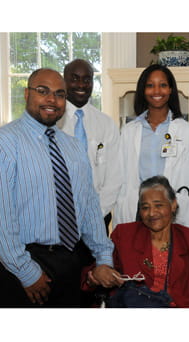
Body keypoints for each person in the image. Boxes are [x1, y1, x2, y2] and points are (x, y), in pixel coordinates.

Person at [0, 68, 122, 308]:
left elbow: (89, 207)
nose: (52, 100)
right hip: (17, 267)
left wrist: (103, 256)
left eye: (60, 94)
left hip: (69, 262)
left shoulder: (73, 147)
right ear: (26, 94)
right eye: (43, 91)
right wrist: (26, 271)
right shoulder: (1, 143)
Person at [90, 175, 189, 308]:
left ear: (173, 205)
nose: (151, 213)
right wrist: (97, 273)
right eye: (145, 207)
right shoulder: (124, 235)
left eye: (158, 205)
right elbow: (97, 270)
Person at [113, 64, 189, 229]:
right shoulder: (130, 131)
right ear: (143, 91)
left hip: (170, 208)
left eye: (163, 85)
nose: (157, 91)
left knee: (169, 254)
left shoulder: (185, 130)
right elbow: (120, 177)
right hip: (138, 208)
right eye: (150, 86)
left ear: (171, 89)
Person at [57, 59, 121, 233]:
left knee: (95, 261)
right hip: (58, 220)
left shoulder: (106, 124)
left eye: (87, 79)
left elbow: (114, 177)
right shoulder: (52, 122)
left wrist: (95, 213)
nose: (81, 84)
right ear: (64, 81)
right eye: (75, 78)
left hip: (98, 219)